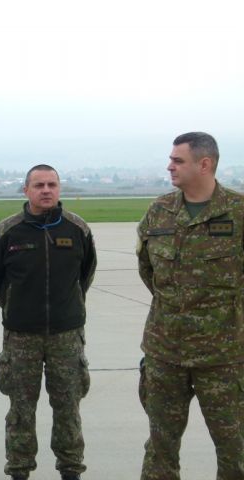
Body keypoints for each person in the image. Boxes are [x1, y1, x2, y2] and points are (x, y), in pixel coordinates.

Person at [137, 132, 244, 480]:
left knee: (236, 450)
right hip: (165, 352)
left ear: (204, 164)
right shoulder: (159, 211)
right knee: (160, 449)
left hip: (224, 358)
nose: (170, 166)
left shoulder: (238, 212)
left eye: (177, 160)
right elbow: (148, 270)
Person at [0, 164, 96, 480]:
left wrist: (67, 306)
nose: (46, 190)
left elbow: (85, 274)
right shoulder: (7, 232)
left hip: (66, 335)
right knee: (20, 410)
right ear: (26, 190)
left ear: (59, 189)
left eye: (51, 184)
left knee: (68, 408)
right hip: (21, 336)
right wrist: (16, 306)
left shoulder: (78, 229)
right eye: (39, 185)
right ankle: (19, 470)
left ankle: (70, 470)